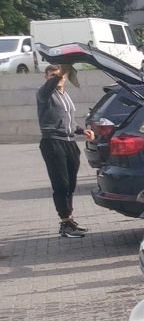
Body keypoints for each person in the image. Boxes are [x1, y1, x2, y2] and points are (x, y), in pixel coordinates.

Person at [36, 63, 87, 238]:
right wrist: (63, 70)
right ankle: (64, 223)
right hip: (53, 142)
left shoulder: (65, 95)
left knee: (71, 184)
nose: (56, 78)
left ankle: (70, 219)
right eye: (51, 76)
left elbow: (69, 121)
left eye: (59, 75)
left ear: (65, 78)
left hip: (69, 142)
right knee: (61, 184)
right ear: (46, 78)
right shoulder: (44, 94)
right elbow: (51, 84)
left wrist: (82, 131)